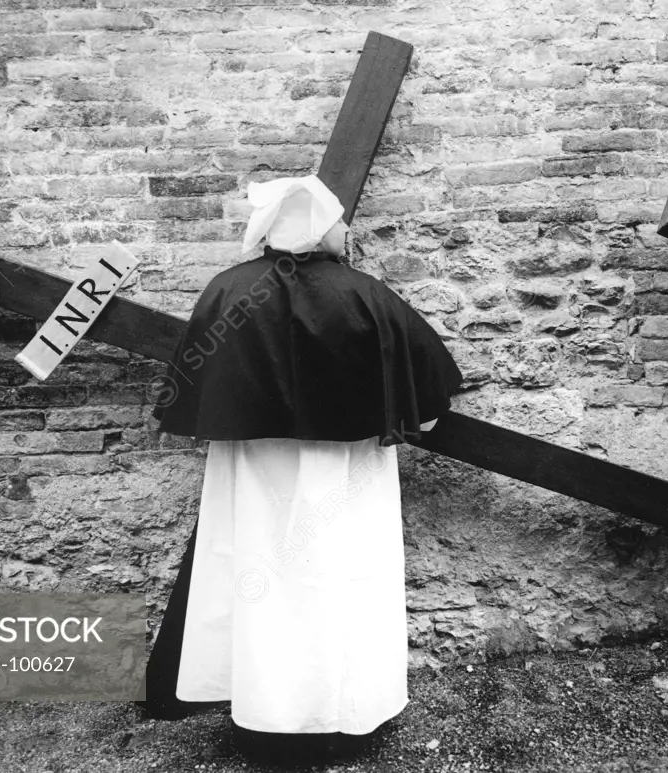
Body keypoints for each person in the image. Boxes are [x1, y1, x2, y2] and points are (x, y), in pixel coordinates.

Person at [141, 175, 463, 753]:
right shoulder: (366, 295)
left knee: (260, 584)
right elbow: (430, 400)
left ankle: (264, 714)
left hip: (252, 474)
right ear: (320, 229)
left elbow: (195, 391)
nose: (345, 229)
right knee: (342, 583)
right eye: (338, 219)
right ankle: (344, 716)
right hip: (346, 476)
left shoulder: (226, 292)